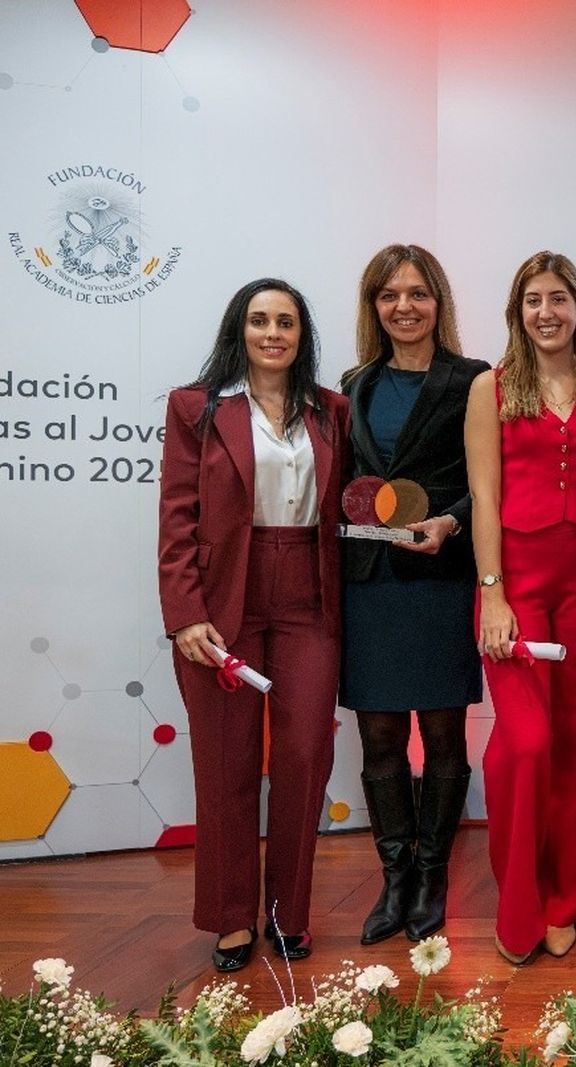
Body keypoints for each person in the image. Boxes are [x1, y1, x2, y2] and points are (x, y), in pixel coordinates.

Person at [157, 278, 348, 971]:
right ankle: (232, 918)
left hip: (308, 599)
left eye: (287, 322)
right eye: (260, 320)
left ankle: (286, 915)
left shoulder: (331, 410)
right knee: (227, 765)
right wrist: (185, 615)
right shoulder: (197, 408)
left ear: (302, 335)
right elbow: (178, 517)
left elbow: (347, 509)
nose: (273, 333)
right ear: (239, 329)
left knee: (303, 757)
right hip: (221, 603)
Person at [340, 245, 489, 945]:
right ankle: (394, 874)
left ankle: (433, 875)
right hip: (371, 583)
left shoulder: (474, 380)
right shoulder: (354, 384)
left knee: (441, 735)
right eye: (390, 294)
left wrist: (452, 519)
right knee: (378, 739)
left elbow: (489, 481)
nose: (405, 306)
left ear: (439, 303)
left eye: (418, 293)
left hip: (438, 578)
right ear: (375, 306)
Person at [465, 251, 576, 964]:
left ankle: (565, 900)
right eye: (532, 300)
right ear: (516, 312)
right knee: (524, 744)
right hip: (516, 586)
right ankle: (518, 902)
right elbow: (484, 495)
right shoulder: (489, 388)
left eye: (558, 298)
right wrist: (492, 592)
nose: (545, 311)